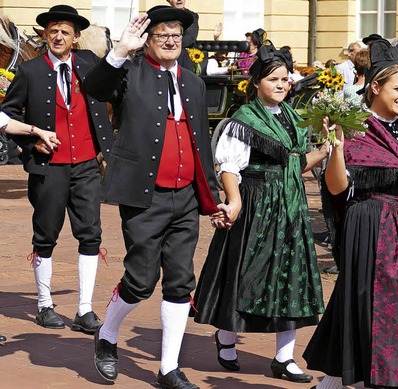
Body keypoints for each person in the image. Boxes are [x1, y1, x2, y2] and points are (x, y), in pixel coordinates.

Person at [83, 7, 225, 388]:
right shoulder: (129, 71)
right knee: (142, 280)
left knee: (180, 282)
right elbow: (93, 90)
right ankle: (108, 334)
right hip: (144, 196)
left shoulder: (193, 83)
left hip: (186, 198)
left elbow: (201, 146)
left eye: (176, 34)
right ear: (147, 39)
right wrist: (117, 54)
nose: (170, 40)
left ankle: (168, 368)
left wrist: (214, 197)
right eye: (162, 33)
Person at [303, 37, 398, 389]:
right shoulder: (355, 127)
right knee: (381, 311)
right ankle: (383, 378)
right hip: (373, 228)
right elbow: (339, 189)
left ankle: (355, 380)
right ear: (374, 87)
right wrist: (335, 149)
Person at [191, 42, 327, 383]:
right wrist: (234, 201)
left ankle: (284, 357)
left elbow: (296, 163)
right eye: (273, 79)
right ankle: (226, 335)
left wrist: (326, 149)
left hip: (291, 208)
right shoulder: (245, 119)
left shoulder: (295, 117)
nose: (281, 85)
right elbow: (229, 166)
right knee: (246, 273)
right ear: (257, 84)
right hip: (257, 206)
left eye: (284, 79)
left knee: (291, 277)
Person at [1, 4, 112, 334]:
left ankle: (85, 309)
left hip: (87, 166)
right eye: (53, 31)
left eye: (65, 31)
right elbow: (6, 116)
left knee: (91, 234)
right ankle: (44, 305)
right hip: (48, 168)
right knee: (46, 235)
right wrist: (31, 139)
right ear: (45, 36)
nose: (59, 36)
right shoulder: (30, 71)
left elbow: (115, 86)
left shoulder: (90, 65)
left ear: (76, 37)